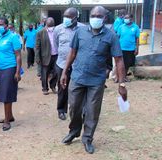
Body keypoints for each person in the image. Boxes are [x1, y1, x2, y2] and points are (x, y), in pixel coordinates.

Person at [60, 6, 128, 154]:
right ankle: (74, 131)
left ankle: (87, 138)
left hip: (96, 81)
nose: (95, 18)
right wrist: (64, 72)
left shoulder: (111, 36)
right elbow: (72, 52)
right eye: (93, 15)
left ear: (105, 18)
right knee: (74, 108)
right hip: (77, 77)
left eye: (99, 16)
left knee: (92, 112)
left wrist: (122, 83)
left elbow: (119, 60)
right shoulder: (80, 31)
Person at [54, 8, 84, 120]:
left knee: (78, 88)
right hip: (62, 63)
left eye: (69, 17)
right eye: (65, 16)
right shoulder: (58, 29)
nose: (66, 19)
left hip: (78, 64)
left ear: (76, 17)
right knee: (62, 87)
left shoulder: (83, 29)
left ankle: (78, 111)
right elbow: (56, 45)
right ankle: (61, 110)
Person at [0, 17, 22, 131]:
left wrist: (17, 72)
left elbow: (18, 55)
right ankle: (10, 116)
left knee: (7, 94)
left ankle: (7, 121)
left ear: (6, 25)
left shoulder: (13, 37)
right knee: (3, 93)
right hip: (0, 68)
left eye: (0, 24)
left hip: (10, 68)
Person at [35, 17, 57, 95]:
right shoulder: (40, 33)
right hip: (45, 56)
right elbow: (37, 46)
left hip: (56, 55)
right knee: (45, 73)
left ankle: (53, 86)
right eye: (49, 25)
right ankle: (45, 88)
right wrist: (37, 57)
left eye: (52, 26)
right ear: (46, 24)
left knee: (56, 72)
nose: (51, 28)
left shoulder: (57, 31)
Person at [117, 13, 140, 82]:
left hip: (130, 49)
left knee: (127, 64)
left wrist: (137, 48)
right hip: (121, 48)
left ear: (131, 19)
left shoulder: (135, 27)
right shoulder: (121, 27)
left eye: (127, 18)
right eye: (125, 18)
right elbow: (117, 37)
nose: (125, 19)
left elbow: (137, 38)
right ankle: (119, 77)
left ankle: (124, 77)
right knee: (120, 63)